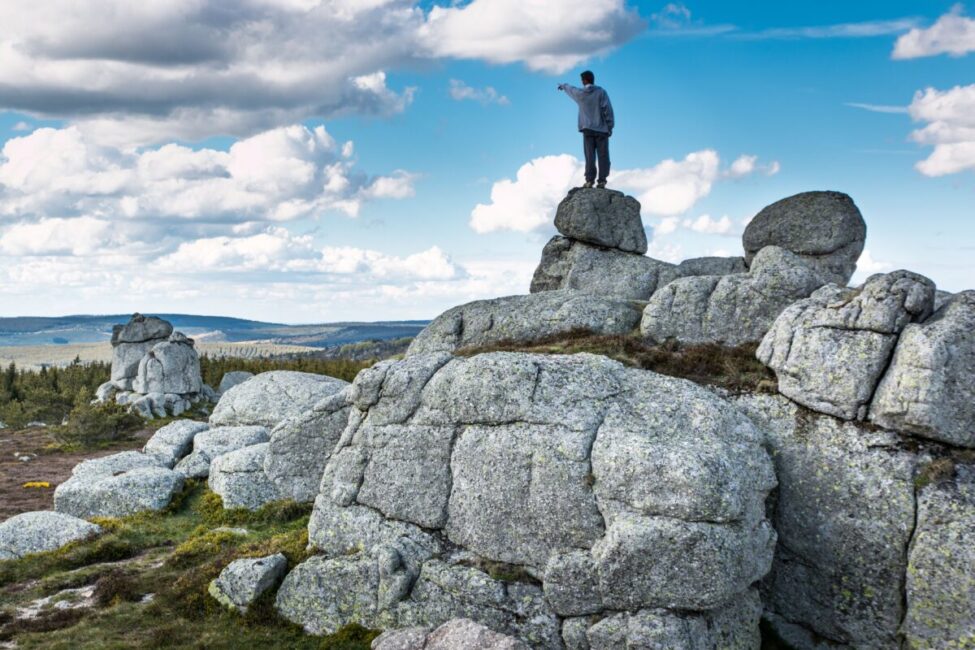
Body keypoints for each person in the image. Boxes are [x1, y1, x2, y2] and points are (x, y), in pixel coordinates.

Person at [558, 70, 614, 188]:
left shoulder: (580, 94)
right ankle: (602, 181)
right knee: (603, 155)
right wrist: (610, 126)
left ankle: (589, 180)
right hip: (602, 130)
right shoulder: (601, 92)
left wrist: (563, 86)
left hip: (587, 129)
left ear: (584, 81)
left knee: (590, 156)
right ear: (593, 79)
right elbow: (607, 110)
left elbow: (571, 89)